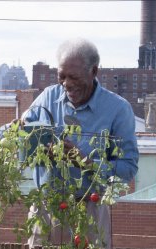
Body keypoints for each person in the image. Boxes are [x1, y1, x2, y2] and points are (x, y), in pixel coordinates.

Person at [20, 38, 139, 248]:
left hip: (90, 208)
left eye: (73, 76)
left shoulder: (118, 109)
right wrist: (18, 131)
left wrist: (86, 163)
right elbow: (14, 134)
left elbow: (128, 168)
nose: (66, 83)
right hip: (46, 207)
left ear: (94, 72)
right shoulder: (48, 97)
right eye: (61, 76)